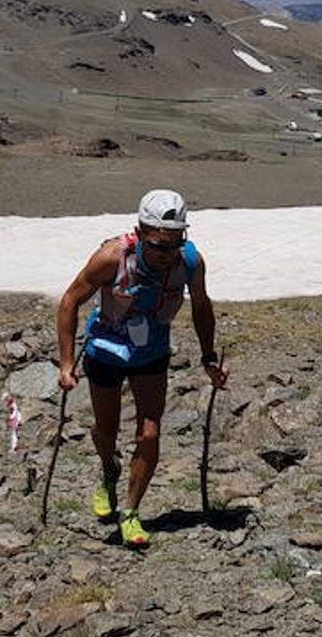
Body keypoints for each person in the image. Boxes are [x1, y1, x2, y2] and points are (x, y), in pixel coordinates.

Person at [56, 189, 228, 548]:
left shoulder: (190, 262)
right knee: (106, 431)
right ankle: (108, 470)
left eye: (174, 244)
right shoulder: (111, 257)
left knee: (149, 433)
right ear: (140, 232)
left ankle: (131, 513)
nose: (166, 255)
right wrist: (67, 363)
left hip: (151, 353)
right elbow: (71, 300)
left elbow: (201, 306)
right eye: (157, 246)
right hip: (106, 350)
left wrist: (208, 356)